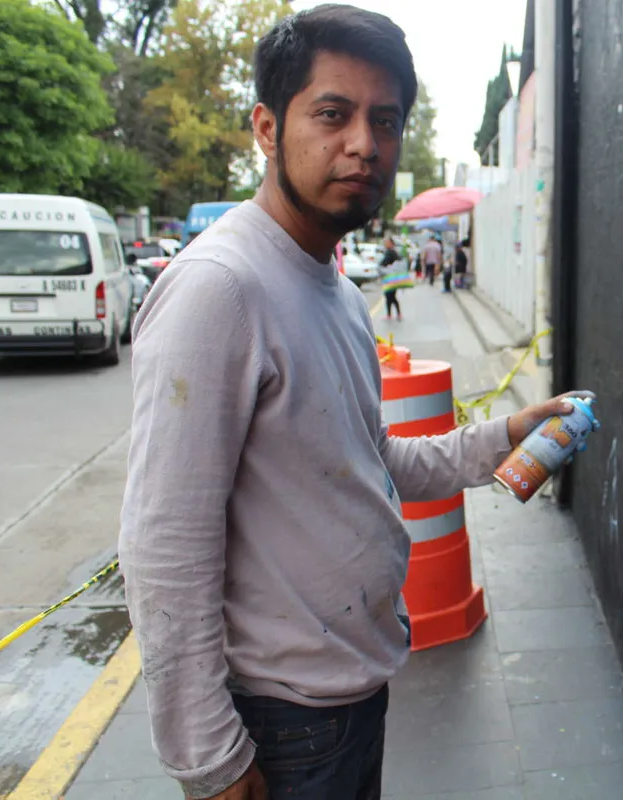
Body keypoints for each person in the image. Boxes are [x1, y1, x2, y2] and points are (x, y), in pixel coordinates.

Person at [117, 6, 594, 799]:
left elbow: (374, 461)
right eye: (332, 114)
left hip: (351, 694)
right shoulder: (219, 289)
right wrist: (208, 756)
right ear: (268, 128)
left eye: (385, 120)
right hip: (281, 725)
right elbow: (163, 544)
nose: (364, 144)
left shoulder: (335, 289)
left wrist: (507, 433)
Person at [378, 245, 403, 319]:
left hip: (389, 280)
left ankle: (390, 314)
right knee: (392, 297)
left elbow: (382, 265)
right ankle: (397, 314)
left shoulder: (389, 256)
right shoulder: (397, 260)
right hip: (394, 280)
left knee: (389, 297)